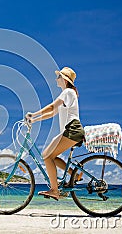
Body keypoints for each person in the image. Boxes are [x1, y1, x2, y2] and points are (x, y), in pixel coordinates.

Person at [26, 67, 85, 200]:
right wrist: (34, 120)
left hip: (72, 129)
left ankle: (54, 190)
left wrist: (33, 113)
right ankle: (74, 175)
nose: (56, 79)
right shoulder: (68, 94)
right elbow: (52, 113)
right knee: (47, 155)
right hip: (69, 131)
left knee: (47, 157)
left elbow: (52, 106)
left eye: (58, 77)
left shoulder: (68, 92)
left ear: (64, 79)